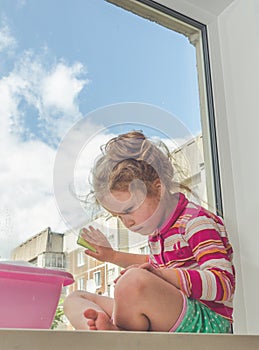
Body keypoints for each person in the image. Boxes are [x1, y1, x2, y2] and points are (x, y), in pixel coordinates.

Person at [63, 131, 235, 333]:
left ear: (158, 189)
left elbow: (223, 283)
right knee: (75, 298)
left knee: (132, 282)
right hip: (171, 313)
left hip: (207, 321)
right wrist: (112, 256)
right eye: (118, 216)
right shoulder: (159, 232)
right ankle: (102, 333)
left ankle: (115, 334)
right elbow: (153, 267)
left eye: (129, 210)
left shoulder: (195, 223)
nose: (127, 221)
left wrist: (161, 275)